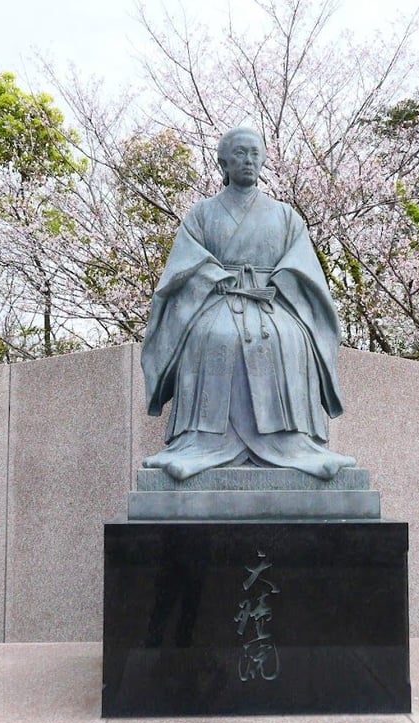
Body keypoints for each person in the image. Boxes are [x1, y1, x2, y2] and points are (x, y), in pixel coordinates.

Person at [141, 127, 355, 480]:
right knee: (217, 336)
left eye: (255, 154)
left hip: (272, 302)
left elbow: (301, 266)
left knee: (291, 337)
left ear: (264, 160)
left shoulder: (285, 215)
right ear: (223, 162)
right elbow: (185, 264)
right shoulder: (202, 213)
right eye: (239, 153)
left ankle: (294, 440)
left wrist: (278, 281)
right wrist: (216, 278)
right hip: (218, 299)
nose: (248, 160)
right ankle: (201, 441)